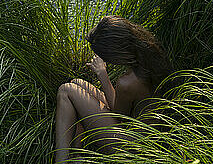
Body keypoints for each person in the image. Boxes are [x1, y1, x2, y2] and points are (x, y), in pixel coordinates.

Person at [54, 15, 173, 163]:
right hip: (144, 131)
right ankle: (77, 155)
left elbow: (119, 117)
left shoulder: (127, 83)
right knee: (77, 83)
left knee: (66, 91)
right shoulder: (151, 53)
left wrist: (102, 74)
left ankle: (61, 160)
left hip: (130, 147)